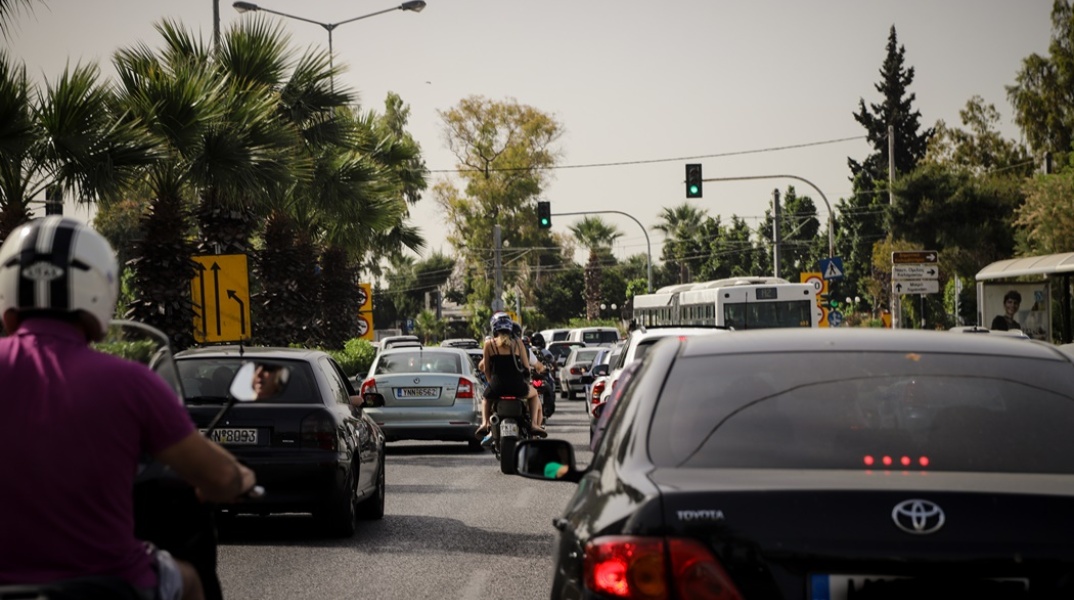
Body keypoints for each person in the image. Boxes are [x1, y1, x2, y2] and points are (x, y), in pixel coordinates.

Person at [0, 217, 257, 600]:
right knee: (188, 579)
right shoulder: (131, 382)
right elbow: (218, 477)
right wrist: (242, 480)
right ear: (100, 288)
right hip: (109, 583)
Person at [476, 312, 546, 440]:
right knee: (534, 394)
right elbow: (525, 366)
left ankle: (485, 423)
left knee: (485, 398)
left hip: (497, 387)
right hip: (517, 386)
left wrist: (491, 383)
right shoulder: (518, 343)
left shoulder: (489, 344)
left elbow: (486, 368)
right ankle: (535, 424)